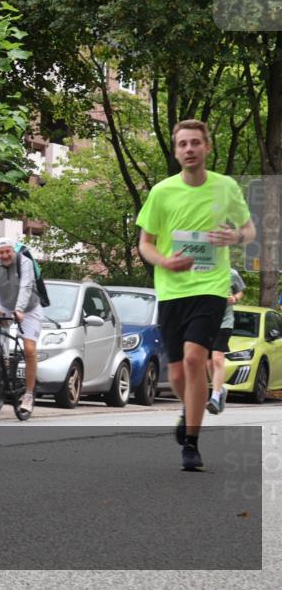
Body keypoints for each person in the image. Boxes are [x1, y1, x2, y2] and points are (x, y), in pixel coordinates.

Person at [136, 119, 255, 471]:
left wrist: (234, 237)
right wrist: (165, 261)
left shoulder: (225, 187)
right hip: (172, 290)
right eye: (183, 144)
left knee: (193, 359)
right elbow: (146, 244)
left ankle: (191, 443)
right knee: (176, 374)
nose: (189, 149)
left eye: (195, 143)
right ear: (176, 152)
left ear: (207, 147)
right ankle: (189, 408)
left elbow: (249, 230)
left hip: (211, 287)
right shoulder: (162, 192)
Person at [0, 237, 43, 415]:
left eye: (8, 252)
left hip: (29, 308)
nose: (5, 255)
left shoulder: (24, 262)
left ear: (13, 251)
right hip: (4, 305)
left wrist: (19, 310)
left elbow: (26, 287)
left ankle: (28, 395)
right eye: (1, 253)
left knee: (29, 350)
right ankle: (1, 357)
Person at [206, 268, 245, 414]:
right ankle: (220, 389)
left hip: (225, 323)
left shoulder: (231, 273)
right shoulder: (202, 271)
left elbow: (240, 291)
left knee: (217, 358)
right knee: (209, 363)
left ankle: (215, 397)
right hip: (206, 323)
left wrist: (235, 298)